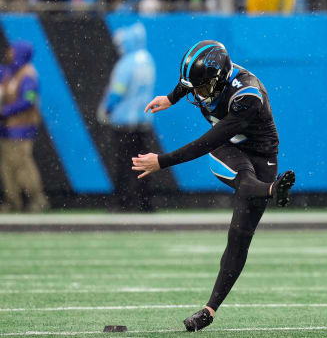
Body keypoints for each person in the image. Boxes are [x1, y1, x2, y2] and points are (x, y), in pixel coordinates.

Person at [131, 40, 295, 331]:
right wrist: (172, 97)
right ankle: (272, 191)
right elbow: (191, 85)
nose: (198, 95)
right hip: (231, 149)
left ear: (219, 79)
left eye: (202, 88)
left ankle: (209, 310)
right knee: (245, 193)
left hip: (261, 155)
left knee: (240, 234)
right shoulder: (207, 81)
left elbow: (206, 141)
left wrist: (162, 161)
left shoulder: (247, 97)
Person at [97, 22, 156, 212]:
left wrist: (107, 108)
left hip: (124, 123)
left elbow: (117, 91)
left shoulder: (126, 63)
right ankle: (145, 202)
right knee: (144, 164)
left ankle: (122, 202)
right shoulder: (148, 59)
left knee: (123, 164)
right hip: (143, 121)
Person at [0, 41, 49, 213]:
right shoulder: (8, 72)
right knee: (7, 167)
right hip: (6, 128)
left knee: (23, 165)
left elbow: (28, 100)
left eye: (13, 51)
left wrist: (6, 111)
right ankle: (13, 202)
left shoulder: (27, 74)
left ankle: (37, 200)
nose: (9, 53)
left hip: (22, 127)